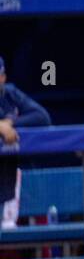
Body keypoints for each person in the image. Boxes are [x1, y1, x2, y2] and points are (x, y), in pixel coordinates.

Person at [0, 55, 51, 233]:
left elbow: (42, 117)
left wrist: (11, 123)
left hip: (12, 176)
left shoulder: (10, 94)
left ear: (3, 77)